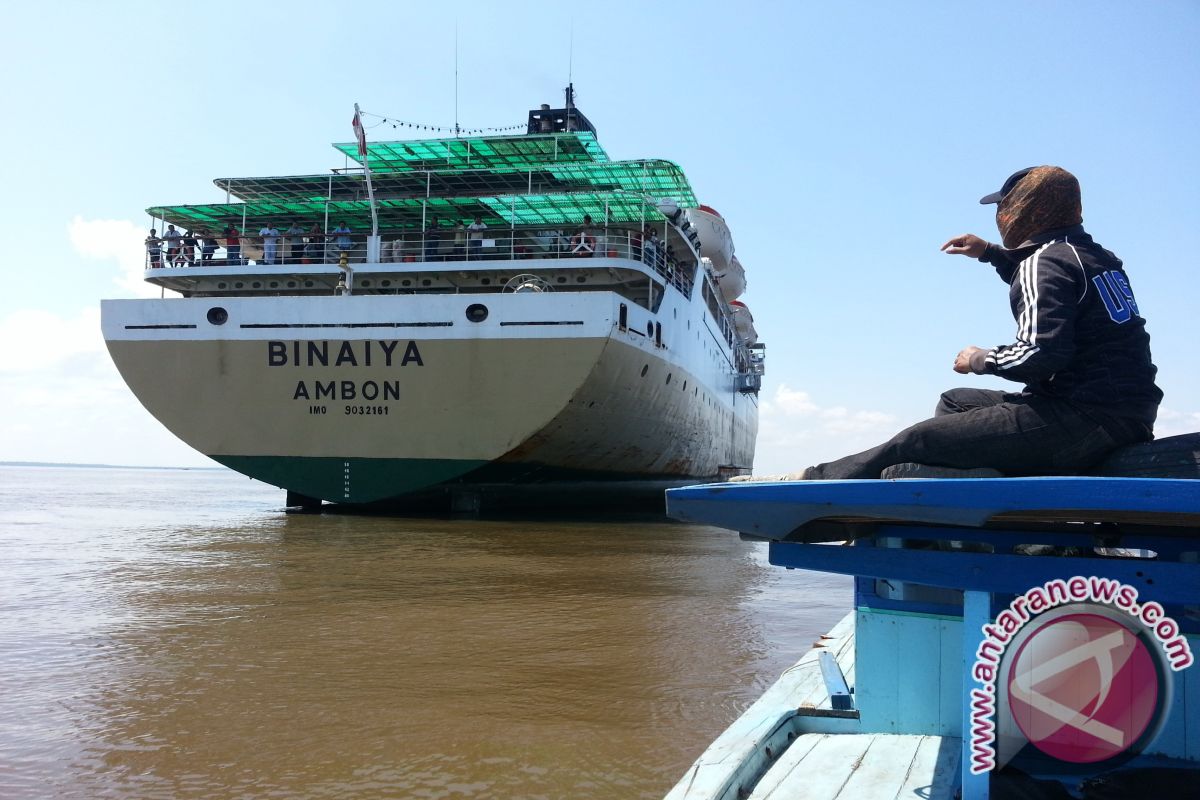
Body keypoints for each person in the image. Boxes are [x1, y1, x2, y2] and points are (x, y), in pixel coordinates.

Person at [745, 166, 1162, 481]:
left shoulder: (1045, 264)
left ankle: (812, 483)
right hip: (1126, 413)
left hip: (1085, 418)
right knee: (957, 401)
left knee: (917, 440)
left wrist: (980, 358)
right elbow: (1055, 295)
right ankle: (979, 492)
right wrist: (989, 253)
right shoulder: (1090, 254)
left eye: (1003, 205)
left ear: (1025, 209)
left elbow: (1042, 354)